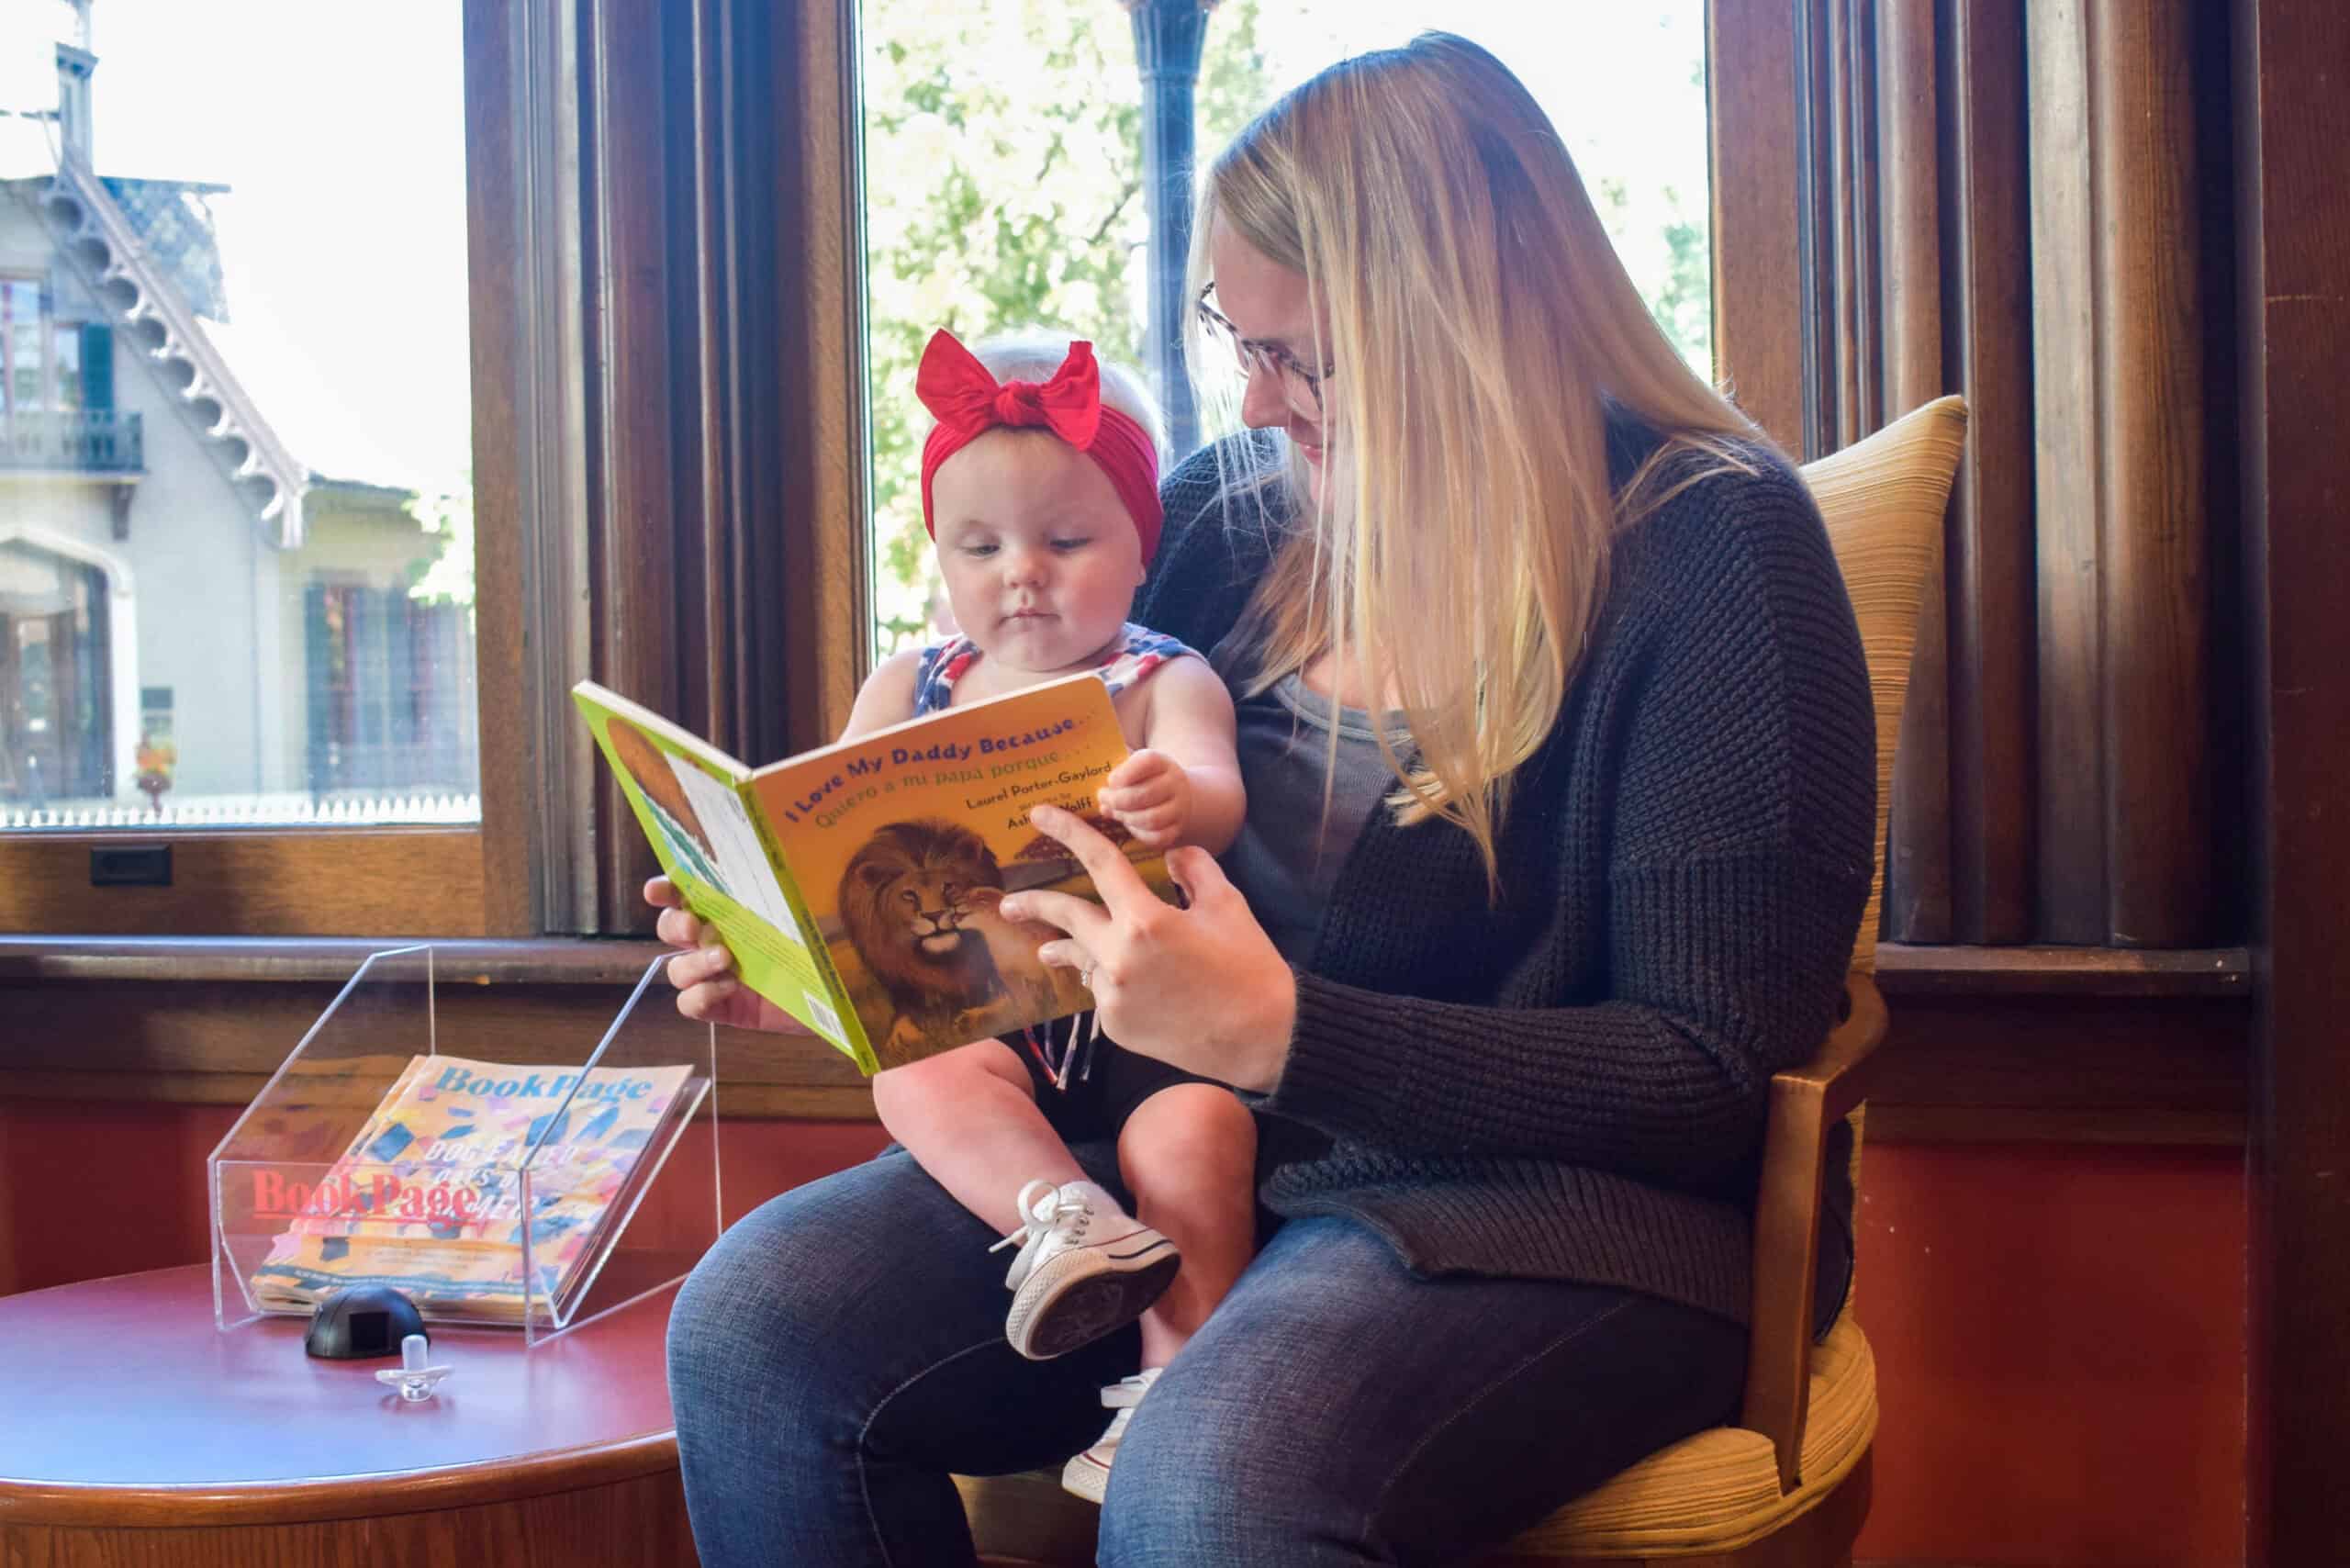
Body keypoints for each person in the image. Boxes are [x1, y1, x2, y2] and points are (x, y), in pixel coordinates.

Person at [657, 30, 1874, 1567]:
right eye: (1237, 336)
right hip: (1176, 1140)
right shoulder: (1237, 520)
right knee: (757, 1325)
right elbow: (1067, 861)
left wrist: (1285, 1033)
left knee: (1220, 1466)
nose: (1254, 395)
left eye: (1302, 354)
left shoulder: (1715, 546)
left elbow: (1708, 1073)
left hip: (1552, 1207)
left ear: (1462, 319)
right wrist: (836, 964)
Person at [650, 327, 1259, 1498]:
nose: (1019, 571)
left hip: (1150, 1028)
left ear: (1142, 550)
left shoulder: (1159, 677)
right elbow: (826, 834)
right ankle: (1066, 1222)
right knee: (914, 1081)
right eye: (978, 545)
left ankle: (1174, 1385)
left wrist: (1176, 793)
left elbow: (1218, 789)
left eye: (1065, 540)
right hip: (981, 1019)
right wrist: (755, 910)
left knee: (1197, 1139)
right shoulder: (909, 684)